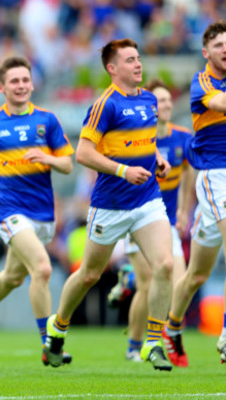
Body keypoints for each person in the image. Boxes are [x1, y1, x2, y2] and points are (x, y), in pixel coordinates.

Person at [42, 38, 175, 371]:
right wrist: (123, 170)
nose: (138, 64)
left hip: (147, 199)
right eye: (130, 60)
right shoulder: (105, 104)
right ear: (112, 69)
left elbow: (143, 139)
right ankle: (57, 328)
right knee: (88, 274)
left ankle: (154, 342)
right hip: (111, 204)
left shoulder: (148, 99)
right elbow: (84, 153)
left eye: (139, 58)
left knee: (165, 266)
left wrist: (156, 157)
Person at [0, 56, 74, 362]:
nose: (21, 86)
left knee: (11, 277)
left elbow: (68, 164)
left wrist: (48, 159)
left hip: (43, 215)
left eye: (25, 80)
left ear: (32, 84)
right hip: (9, 211)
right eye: (14, 82)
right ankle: (49, 345)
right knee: (42, 269)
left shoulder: (47, 121)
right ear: (1, 88)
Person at [106, 79, 194, 364]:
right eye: (160, 100)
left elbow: (189, 175)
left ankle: (130, 280)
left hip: (168, 223)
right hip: (141, 217)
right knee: (148, 287)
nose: (165, 105)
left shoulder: (182, 137)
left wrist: (183, 211)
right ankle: (134, 345)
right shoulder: (140, 138)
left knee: (177, 284)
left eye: (169, 99)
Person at [163, 21, 226, 366]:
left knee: (197, 274)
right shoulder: (203, 82)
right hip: (217, 175)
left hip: (217, 187)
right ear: (206, 52)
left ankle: (172, 328)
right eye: (219, 45)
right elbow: (221, 103)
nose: (225, 50)